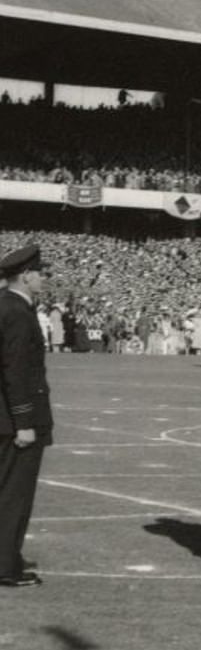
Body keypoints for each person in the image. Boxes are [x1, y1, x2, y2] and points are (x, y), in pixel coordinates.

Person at [0, 245, 53, 588]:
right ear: (26, 275)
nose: (45, 278)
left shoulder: (6, 306)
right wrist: (24, 422)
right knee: (14, 494)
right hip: (14, 419)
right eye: (42, 273)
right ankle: (5, 564)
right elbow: (16, 371)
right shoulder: (18, 312)